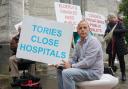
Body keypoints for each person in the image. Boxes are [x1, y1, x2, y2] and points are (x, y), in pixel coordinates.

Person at [57, 20, 104, 89]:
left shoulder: (93, 41)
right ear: (77, 31)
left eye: (85, 27)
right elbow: (73, 58)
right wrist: (62, 63)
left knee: (66, 73)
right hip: (84, 69)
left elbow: (88, 62)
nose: (82, 30)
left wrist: (71, 66)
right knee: (60, 69)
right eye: (80, 28)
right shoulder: (78, 42)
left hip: (93, 71)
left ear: (89, 29)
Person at [104, 14, 128, 81]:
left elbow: (124, 30)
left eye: (115, 17)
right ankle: (110, 73)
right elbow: (106, 33)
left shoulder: (119, 23)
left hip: (119, 45)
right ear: (110, 19)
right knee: (110, 60)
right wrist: (107, 33)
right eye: (113, 17)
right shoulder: (108, 25)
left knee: (121, 60)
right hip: (111, 45)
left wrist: (113, 31)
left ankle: (123, 74)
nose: (115, 18)